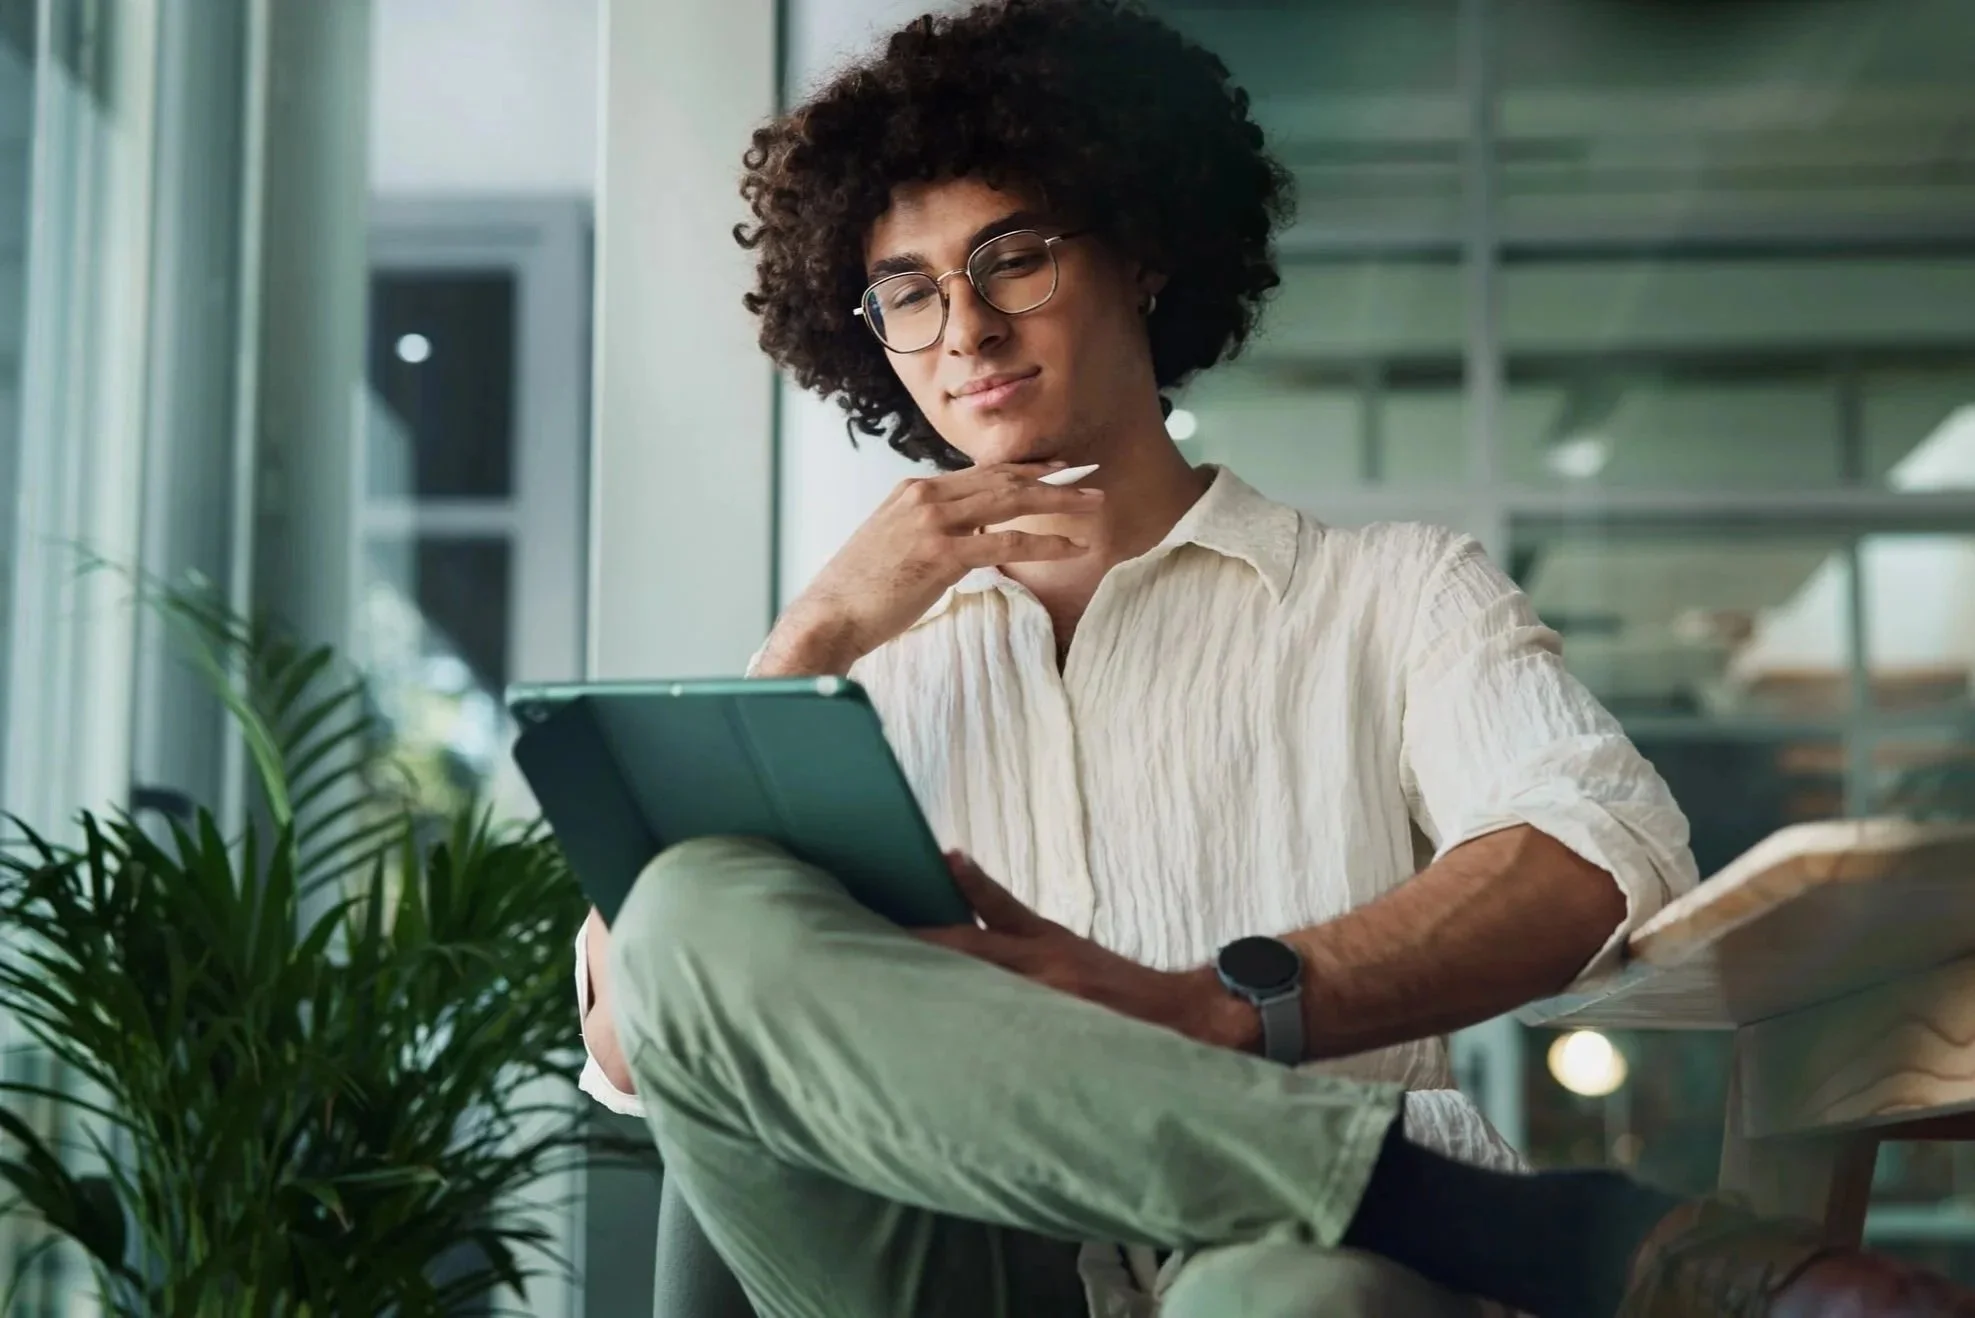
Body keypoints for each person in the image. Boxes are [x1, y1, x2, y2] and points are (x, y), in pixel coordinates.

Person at [574, 3, 1975, 1315]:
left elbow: (1595, 848)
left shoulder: (1385, 591)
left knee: (1302, 1297)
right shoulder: (848, 671)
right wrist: (807, 639)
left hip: (1296, 1263)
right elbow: (643, 1025)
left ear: (1142, 249)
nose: (968, 332)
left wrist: (1217, 1006)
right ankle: (1544, 1230)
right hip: (959, 1260)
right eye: (910, 294)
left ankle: (1401, 1211)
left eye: (1013, 256)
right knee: (686, 904)